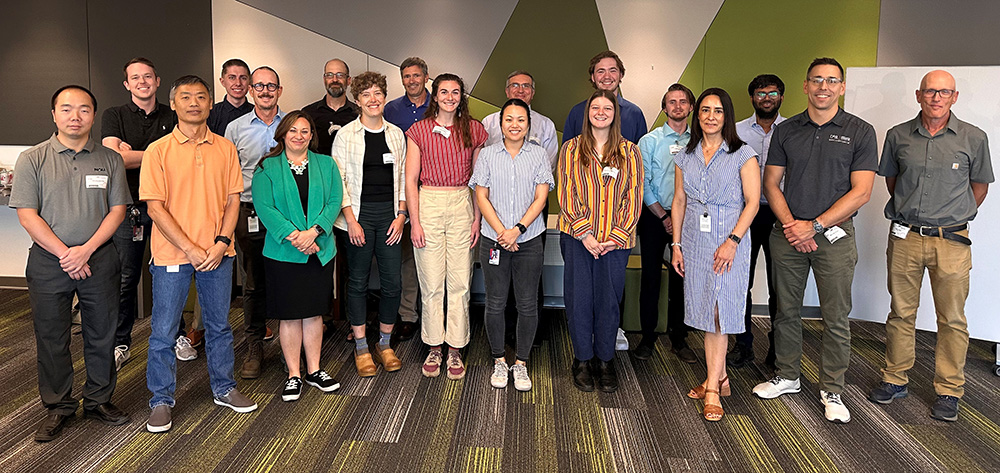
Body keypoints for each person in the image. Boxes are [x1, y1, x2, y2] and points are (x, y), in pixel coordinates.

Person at [752, 58, 877, 425]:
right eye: (817, 80)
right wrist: (793, 225)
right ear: (806, 86)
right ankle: (788, 376)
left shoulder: (860, 130)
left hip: (834, 238)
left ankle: (833, 389)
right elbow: (771, 182)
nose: (824, 86)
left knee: (835, 316)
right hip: (787, 234)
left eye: (832, 81)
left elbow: (863, 192)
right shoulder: (787, 129)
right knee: (785, 310)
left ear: (841, 87)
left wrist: (816, 226)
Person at [868, 70, 993, 422]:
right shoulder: (898, 136)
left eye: (944, 92)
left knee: (952, 319)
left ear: (954, 97)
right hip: (906, 236)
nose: (936, 97)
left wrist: (952, 213)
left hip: (952, 242)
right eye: (929, 91)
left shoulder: (974, 137)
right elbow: (894, 182)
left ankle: (949, 389)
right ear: (918, 95)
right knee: (901, 312)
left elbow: (979, 187)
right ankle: (895, 379)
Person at [12, 85, 132, 442]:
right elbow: (27, 214)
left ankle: (98, 399)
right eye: (66, 109)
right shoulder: (32, 158)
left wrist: (86, 250)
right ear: (54, 115)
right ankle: (59, 405)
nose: (75, 116)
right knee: (52, 335)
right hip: (50, 262)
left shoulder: (109, 159)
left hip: (100, 258)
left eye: (83, 109)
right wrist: (67, 253)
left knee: (102, 333)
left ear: (93, 115)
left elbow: (118, 210)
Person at [141, 75, 257, 433]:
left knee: (220, 326)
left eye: (201, 97)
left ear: (210, 103)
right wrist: (190, 248)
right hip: (172, 255)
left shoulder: (224, 148)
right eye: (186, 97)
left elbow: (233, 199)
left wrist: (222, 242)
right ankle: (161, 399)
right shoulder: (158, 150)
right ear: (173, 104)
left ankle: (224, 387)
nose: (194, 103)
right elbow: (156, 208)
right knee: (163, 330)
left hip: (218, 254)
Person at [670, 88, 760, 421]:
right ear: (698, 115)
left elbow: (752, 202)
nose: (710, 116)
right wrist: (676, 245)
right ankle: (718, 377)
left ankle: (711, 388)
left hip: (729, 241)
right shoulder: (685, 155)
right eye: (705, 110)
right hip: (694, 241)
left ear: (727, 116)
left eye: (718, 111)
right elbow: (679, 201)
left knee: (721, 312)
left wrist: (733, 240)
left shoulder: (742, 154)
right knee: (705, 308)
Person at [251, 110, 344, 401]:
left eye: (305, 131)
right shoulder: (267, 167)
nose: (299, 136)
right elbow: (265, 207)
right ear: (283, 134)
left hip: (319, 250)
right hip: (283, 253)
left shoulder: (327, 164)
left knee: (314, 312)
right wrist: (297, 238)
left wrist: (314, 232)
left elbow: (334, 201)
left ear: (311, 136)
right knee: (290, 316)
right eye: (293, 130)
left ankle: (315, 369)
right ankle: (294, 373)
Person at [558, 89, 643, 393]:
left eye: (608, 108)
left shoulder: (630, 152)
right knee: (580, 300)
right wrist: (586, 234)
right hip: (577, 239)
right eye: (596, 107)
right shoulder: (570, 149)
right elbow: (567, 193)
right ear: (588, 113)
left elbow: (633, 196)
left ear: (615, 113)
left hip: (616, 243)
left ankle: (605, 360)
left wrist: (614, 236)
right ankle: (582, 359)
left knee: (608, 302)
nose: (601, 112)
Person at [405, 73, 488, 380]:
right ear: (434, 96)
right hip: (428, 202)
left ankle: (455, 348)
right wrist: (415, 221)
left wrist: (477, 217)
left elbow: (479, 181)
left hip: (461, 202)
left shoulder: (474, 129)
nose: (450, 97)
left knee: (460, 281)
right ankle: (434, 346)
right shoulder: (419, 130)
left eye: (455, 92)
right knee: (431, 282)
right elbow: (410, 180)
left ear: (461, 96)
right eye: (444, 92)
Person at [471, 98, 554, 392]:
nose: (514, 125)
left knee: (527, 303)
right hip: (494, 239)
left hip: (528, 239)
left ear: (528, 123)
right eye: (509, 119)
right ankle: (498, 360)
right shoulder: (488, 155)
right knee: (495, 302)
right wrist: (502, 232)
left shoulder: (540, 155)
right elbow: (481, 197)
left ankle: (521, 363)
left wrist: (517, 230)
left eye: (520, 119)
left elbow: (541, 198)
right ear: (500, 123)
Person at [100, 57, 178, 370]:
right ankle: (121, 341)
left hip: (166, 207)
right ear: (127, 84)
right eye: (136, 77)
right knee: (127, 277)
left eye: (148, 76)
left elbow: (181, 159)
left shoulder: (173, 115)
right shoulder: (114, 115)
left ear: (158, 81)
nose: (142, 82)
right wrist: (160, 153)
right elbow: (114, 159)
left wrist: (133, 153)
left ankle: (178, 335)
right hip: (128, 207)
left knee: (171, 272)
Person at [331, 71, 407, 377]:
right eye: (366, 95)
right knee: (359, 283)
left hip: (391, 218)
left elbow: (402, 179)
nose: (373, 100)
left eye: (377, 94)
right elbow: (340, 183)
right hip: (357, 219)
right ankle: (361, 345)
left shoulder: (396, 134)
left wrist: (401, 216)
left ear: (384, 98)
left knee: (392, 284)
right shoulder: (345, 135)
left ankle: (385, 344)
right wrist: (351, 220)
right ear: (357, 100)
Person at [224, 66, 285, 379]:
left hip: (287, 214)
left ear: (279, 90)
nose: (265, 90)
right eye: (259, 85)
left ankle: (291, 346)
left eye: (271, 86)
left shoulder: (291, 125)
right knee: (253, 282)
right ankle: (254, 346)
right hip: (249, 213)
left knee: (286, 278)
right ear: (250, 90)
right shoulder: (235, 129)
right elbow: (226, 175)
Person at [729, 74, 786, 369]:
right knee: (741, 283)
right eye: (761, 93)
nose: (767, 98)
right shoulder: (736, 132)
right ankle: (743, 345)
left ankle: (779, 348)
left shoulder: (791, 130)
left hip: (781, 215)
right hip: (744, 215)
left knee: (780, 286)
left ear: (781, 98)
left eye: (773, 93)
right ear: (752, 98)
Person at [636, 83, 695, 363]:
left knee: (681, 278)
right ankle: (647, 337)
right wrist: (663, 215)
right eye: (672, 102)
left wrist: (678, 219)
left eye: (683, 101)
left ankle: (679, 337)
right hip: (654, 217)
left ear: (691, 107)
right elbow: (643, 183)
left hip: (689, 218)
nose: (677, 106)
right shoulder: (650, 141)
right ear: (664, 107)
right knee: (650, 277)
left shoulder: (701, 141)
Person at [383, 56, 430, 342]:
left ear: (426, 77)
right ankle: (408, 315)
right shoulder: (391, 109)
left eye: (417, 75)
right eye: (407, 76)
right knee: (407, 258)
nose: (412, 80)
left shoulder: (437, 105)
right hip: (400, 190)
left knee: (432, 254)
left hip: (434, 190)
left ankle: (435, 313)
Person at [562, 50, 647, 145]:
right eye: (601, 71)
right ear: (593, 77)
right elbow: (566, 153)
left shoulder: (635, 113)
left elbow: (640, 155)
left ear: (621, 75)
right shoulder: (577, 112)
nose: (607, 76)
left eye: (612, 70)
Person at [481, 71, 558, 168]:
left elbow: (549, 165)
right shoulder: (489, 122)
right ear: (507, 91)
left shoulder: (546, 125)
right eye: (515, 85)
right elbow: (482, 162)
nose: (520, 90)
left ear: (533, 93)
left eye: (526, 86)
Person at [303, 58, 360, 155]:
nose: (334, 80)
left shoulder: (359, 114)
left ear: (349, 80)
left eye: (340, 75)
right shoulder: (308, 113)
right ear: (324, 79)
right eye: (329, 75)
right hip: (317, 169)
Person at [207, 58, 253, 135]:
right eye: (232, 77)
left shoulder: (257, 114)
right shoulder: (210, 114)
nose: (238, 83)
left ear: (250, 82)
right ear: (222, 82)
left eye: (243, 78)